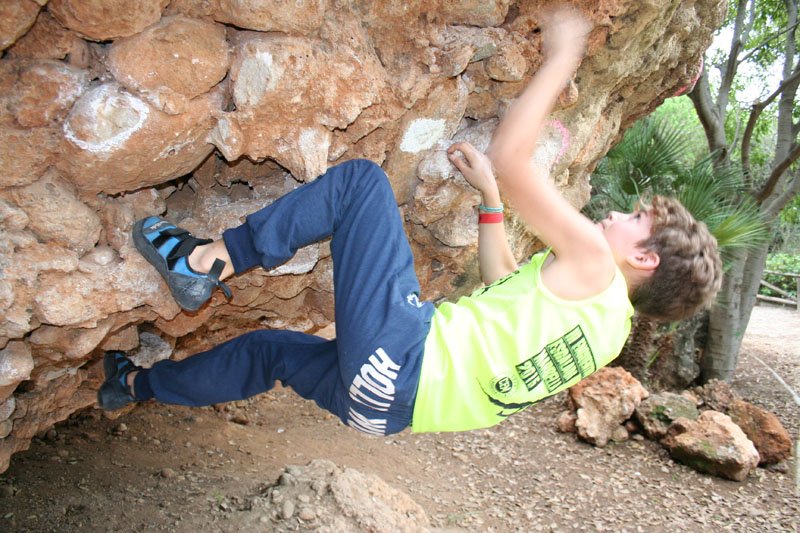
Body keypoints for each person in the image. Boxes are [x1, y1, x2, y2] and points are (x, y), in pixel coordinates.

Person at [98, 9, 722, 435]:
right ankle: (134, 386)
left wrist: (565, 53)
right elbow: (503, 283)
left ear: (644, 259)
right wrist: (489, 199)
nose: (615, 214)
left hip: (402, 357)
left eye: (634, 219)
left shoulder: (596, 263)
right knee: (269, 353)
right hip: (385, 412)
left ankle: (206, 261)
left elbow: (513, 156)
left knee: (361, 185)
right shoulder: (608, 330)